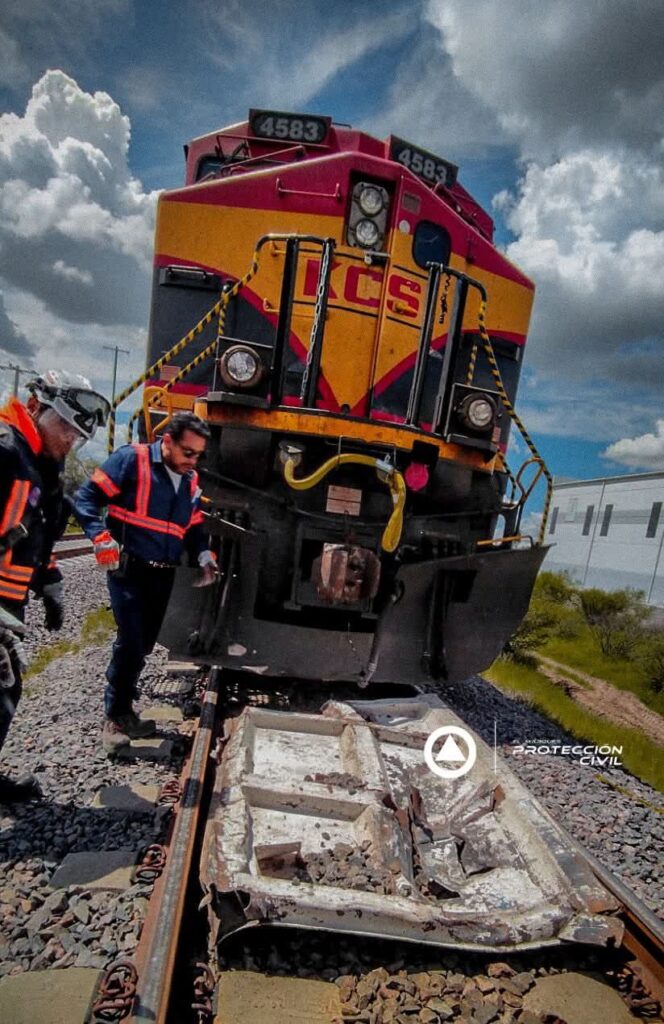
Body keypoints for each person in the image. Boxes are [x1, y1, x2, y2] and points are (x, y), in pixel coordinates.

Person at [74, 411, 216, 755]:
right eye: (187, 452)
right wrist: (100, 536)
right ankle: (114, 718)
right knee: (131, 639)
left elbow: (194, 527)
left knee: (145, 644)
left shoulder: (190, 480)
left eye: (198, 454)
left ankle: (125, 712)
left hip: (162, 572)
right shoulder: (130, 460)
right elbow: (86, 498)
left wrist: (203, 555)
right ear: (166, 441)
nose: (192, 460)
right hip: (130, 569)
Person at [0, 370, 110, 801]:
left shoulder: (42, 465)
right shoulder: (5, 452)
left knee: (7, 691)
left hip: (10, 603)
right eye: (64, 427)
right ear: (35, 409)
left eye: (77, 436)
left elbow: (36, 530)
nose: (69, 440)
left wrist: (48, 580)